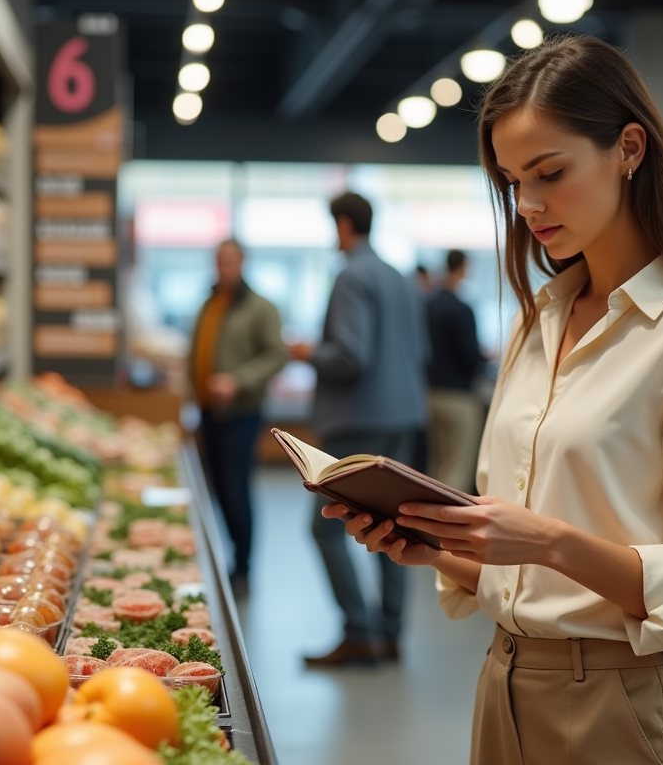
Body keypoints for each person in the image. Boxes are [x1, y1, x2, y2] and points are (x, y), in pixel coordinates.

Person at [320, 35, 663, 764]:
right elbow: (525, 577)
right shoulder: (541, 318)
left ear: (629, 148)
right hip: (502, 688)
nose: (527, 204)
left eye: (550, 173)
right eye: (509, 182)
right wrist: (435, 550)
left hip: (625, 709)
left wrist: (547, 539)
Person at [289, 192, 429, 666]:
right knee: (400, 525)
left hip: (358, 420)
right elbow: (418, 352)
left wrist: (307, 353)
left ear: (344, 225)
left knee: (324, 528)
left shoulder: (351, 275)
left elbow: (350, 355)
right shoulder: (400, 278)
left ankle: (359, 632)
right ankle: (389, 633)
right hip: (403, 415)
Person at [189, 239, 287, 597]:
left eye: (229, 262)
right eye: (218, 261)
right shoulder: (210, 303)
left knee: (236, 490)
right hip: (208, 413)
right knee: (215, 490)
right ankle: (221, 562)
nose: (223, 268)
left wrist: (237, 381)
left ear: (243, 263)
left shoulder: (261, 308)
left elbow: (277, 356)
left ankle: (242, 569)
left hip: (241, 414)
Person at [425, 250, 487, 494]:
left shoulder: (427, 304)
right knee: (458, 466)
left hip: (429, 393)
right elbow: (472, 357)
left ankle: (425, 526)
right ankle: (446, 528)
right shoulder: (462, 309)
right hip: (458, 396)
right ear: (463, 268)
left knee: (436, 465)